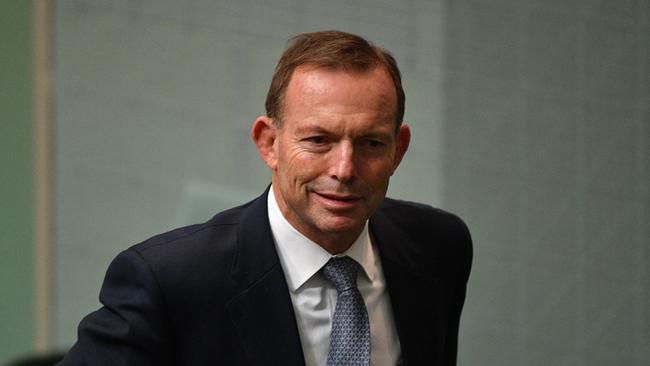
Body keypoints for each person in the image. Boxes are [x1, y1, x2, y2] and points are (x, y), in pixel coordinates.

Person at [57, 30, 472, 366]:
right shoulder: (169, 282)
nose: (344, 169)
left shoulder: (439, 246)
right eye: (317, 140)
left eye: (370, 143)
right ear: (268, 143)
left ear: (398, 149)